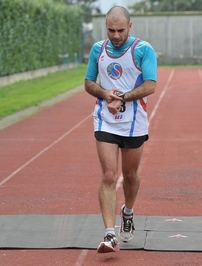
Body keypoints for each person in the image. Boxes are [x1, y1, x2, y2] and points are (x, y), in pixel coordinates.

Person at [84, 6, 157, 253]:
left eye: (120, 30)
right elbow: (88, 83)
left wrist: (122, 97)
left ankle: (128, 211)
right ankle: (109, 234)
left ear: (130, 26)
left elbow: (150, 86)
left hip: (134, 122)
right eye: (111, 30)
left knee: (131, 175)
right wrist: (105, 93)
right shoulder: (98, 50)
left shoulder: (143, 50)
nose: (115, 35)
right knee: (108, 175)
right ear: (106, 26)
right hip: (105, 120)